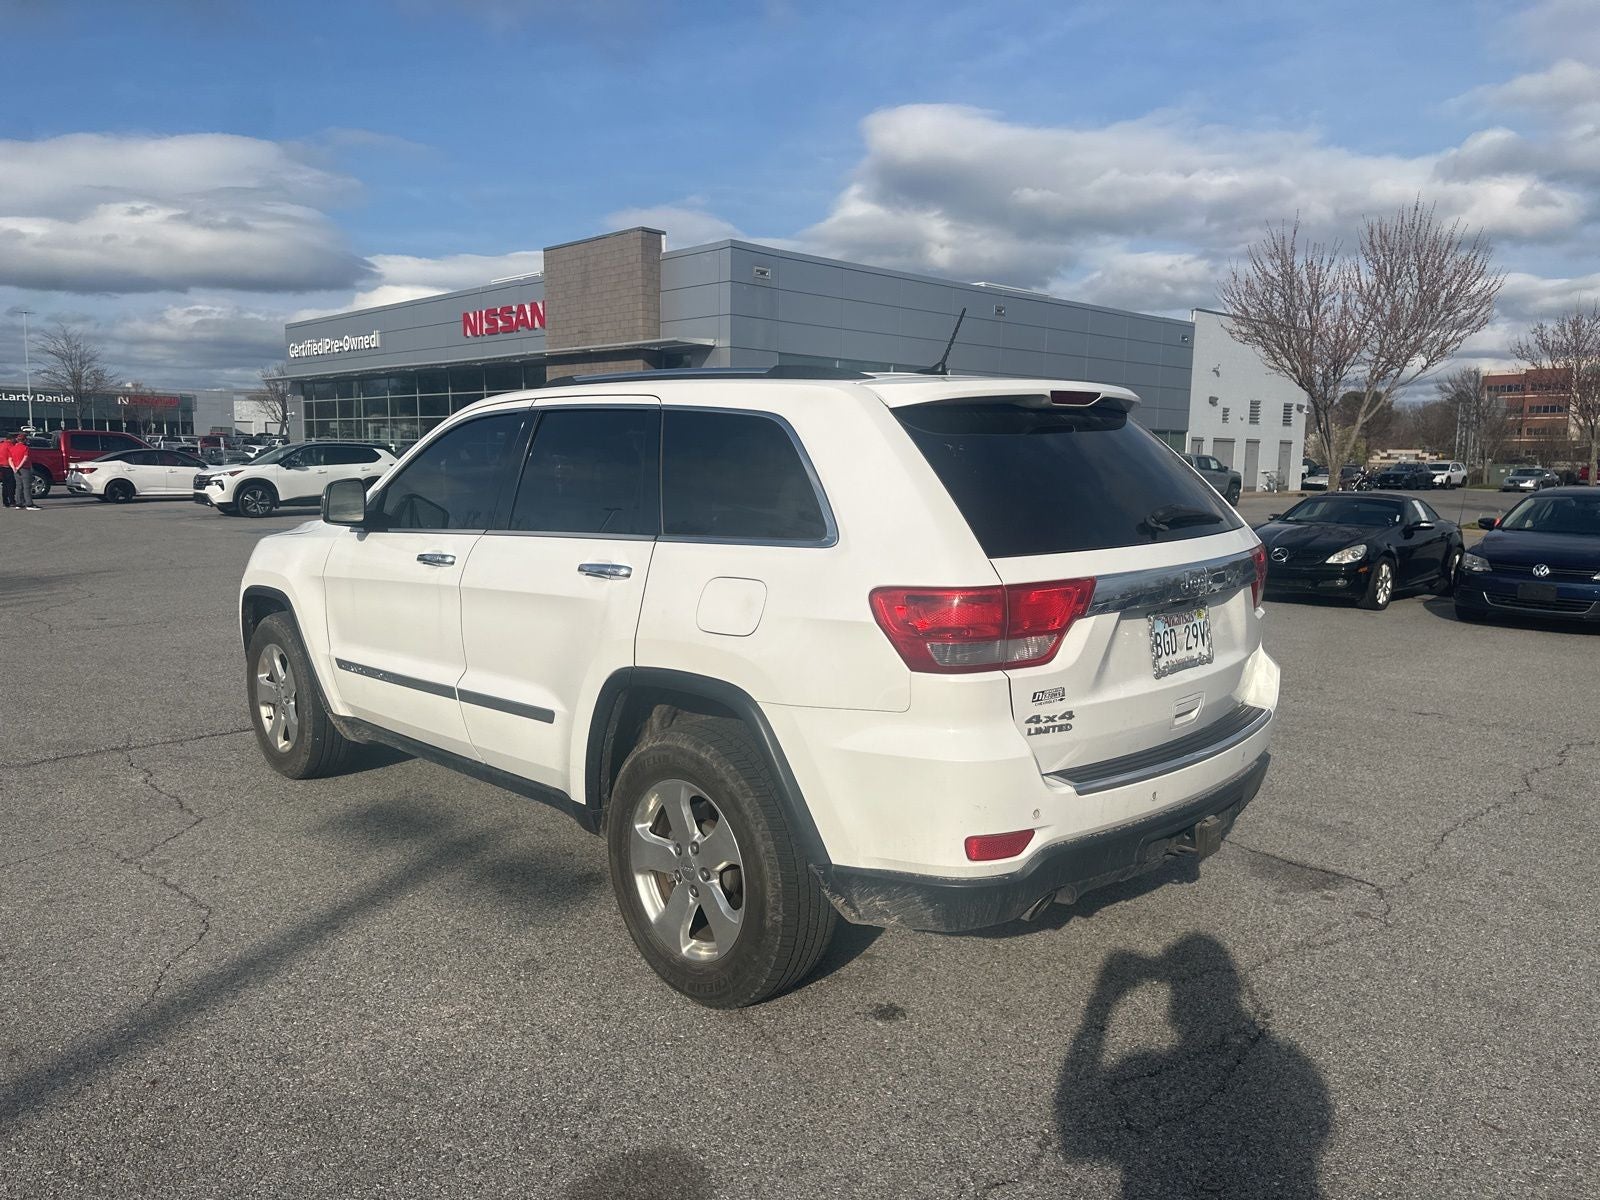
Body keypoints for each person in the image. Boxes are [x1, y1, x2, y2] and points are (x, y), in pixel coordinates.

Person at [4, 433, 40, 510]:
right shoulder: (25, 448)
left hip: (15, 469)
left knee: (18, 486)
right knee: (27, 487)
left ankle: (19, 503)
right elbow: (25, 458)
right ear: (24, 440)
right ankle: (29, 504)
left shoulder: (12, 448)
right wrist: (19, 466)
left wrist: (14, 468)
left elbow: (10, 459)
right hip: (24, 468)